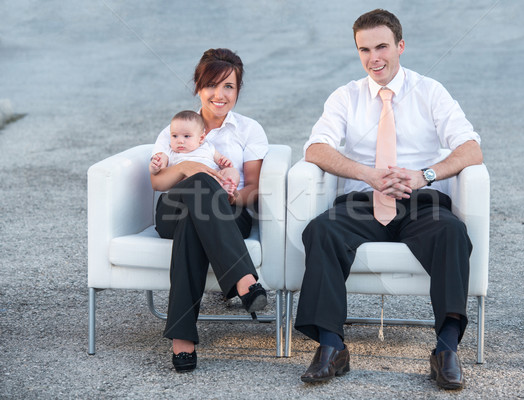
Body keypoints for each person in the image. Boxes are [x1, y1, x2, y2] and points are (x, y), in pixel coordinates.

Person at [295, 9, 483, 390]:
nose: (374, 58)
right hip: (364, 200)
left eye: (381, 46)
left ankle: (445, 350)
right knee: (321, 231)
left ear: (400, 46)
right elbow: (315, 149)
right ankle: (331, 347)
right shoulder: (345, 96)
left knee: (453, 234)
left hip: (420, 200)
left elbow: (471, 149)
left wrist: (423, 174)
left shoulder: (429, 91)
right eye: (364, 49)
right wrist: (367, 174)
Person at [150, 48, 270, 373]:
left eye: (228, 86)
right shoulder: (177, 126)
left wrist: (229, 197)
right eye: (212, 85)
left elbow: (253, 189)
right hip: (172, 210)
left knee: (198, 218)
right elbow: (158, 183)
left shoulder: (249, 130)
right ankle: (245, 283)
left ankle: (181, 338)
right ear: (198, 87)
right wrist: (188, 166)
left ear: (237, 90)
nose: (220, 94)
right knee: (199, 186)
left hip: (228, 211)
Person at [150, 110, 240, 195]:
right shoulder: (170, 151)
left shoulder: (207, 147)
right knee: (189, 179)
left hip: (215, 179)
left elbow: (220, 159)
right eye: (174, 136)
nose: (180, 141)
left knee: (232, 171)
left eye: (186, 136)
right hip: (189, 184)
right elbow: (159, 171)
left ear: (201, 138)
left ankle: (226, 188)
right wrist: (155, 167)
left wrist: (224, 163)